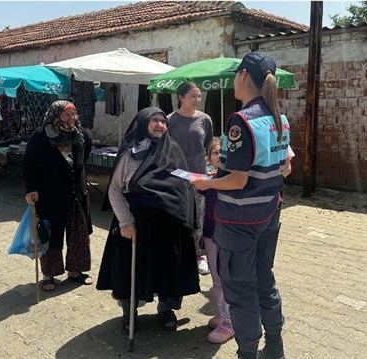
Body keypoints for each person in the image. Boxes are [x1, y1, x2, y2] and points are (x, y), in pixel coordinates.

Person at [190, 52, 290, 359]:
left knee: (242, 292)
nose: (234, 80)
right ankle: (274, 347)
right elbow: (286, 169)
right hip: (269, 215)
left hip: (239, 221)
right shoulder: (279, 118)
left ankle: (247, 353)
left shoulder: (241, 121)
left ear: (244, 75)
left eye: (236, 75)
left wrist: (206, 183)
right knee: (265, 281)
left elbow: (236, 181)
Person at [96, 107, 200, 333]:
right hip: (136, 223)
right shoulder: (130, 153)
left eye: (163, 121)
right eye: (155, 120)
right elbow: (115, 190)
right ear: (143, 122)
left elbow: (186, 187)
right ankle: (129, 313)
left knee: (168, 267)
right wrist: (126, 222)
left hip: (169, 224)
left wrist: (190, 220)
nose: (161, 125)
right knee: (131, 269)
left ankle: (166, 309)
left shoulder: (173, 150)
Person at [22, 100, 93, 292]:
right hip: (50, 194)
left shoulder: (81, 134)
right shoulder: (41, 136)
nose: (71, 118)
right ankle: (49, 274)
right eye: (66, 114)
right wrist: (31, 188)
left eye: (74, 114)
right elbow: (28, 164)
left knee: (78, 233)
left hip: (76, 192)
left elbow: (84, 155)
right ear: (55, 115)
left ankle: (76, 271)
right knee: (51, 235)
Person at [167, 81, 213, 275]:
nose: (197, 100)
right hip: (176, 177)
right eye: (193, 96)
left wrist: (211, 169)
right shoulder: (169, 120)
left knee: (199, 216)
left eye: (199, 96)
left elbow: (210, 146)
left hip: (199, 176)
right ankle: (178, 253)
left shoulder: (205, 119)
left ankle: (199, 255)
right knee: (178, 216)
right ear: (181, 98)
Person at [201, 140, 234, 344]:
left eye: (223, 152)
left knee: (228, 278)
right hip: (210, 234)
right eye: (215, 153)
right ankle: (223, 313)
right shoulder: (207, 180)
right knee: (216, 279)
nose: (219, 156)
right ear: (209, 158)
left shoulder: (233, 180)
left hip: (228, 236)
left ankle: (230, 323)